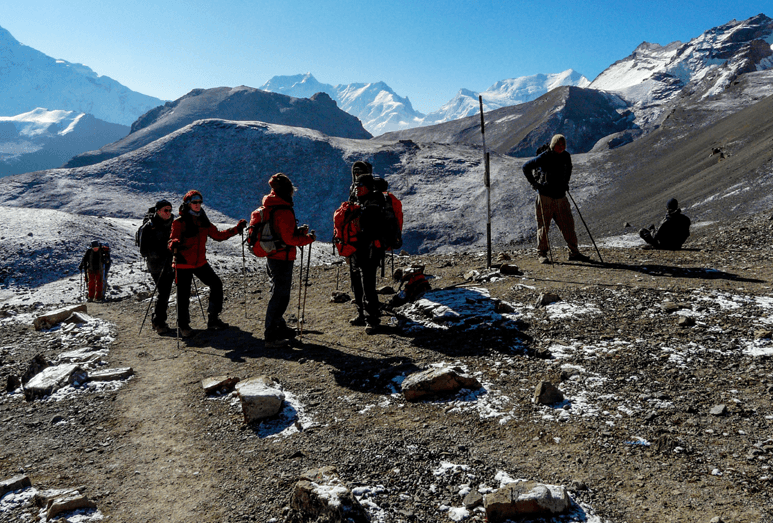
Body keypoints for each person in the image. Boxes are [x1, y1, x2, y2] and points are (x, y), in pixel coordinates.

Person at [168, 190, 247, 337]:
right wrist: (173, 243)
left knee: (216, 284)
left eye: (199, 202)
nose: (197, 205)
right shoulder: (179, 222)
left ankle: (213, 319)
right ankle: (184, 326)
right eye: (194, 202)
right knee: (183, 295)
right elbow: (172, 239)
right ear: (187, 204)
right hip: (183, 263)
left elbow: (218, 235)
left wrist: (236, 229)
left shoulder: (203, 220)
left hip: (199, 262)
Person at [253, 173, 316, 348]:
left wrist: (299, 233)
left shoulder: (272, 206)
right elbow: (289, 239)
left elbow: (283, 233)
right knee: (279, 296)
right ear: (287, 190)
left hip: (273, 255)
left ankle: (279, 327)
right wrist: (307, 239)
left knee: (280, 294)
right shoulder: (283, 209)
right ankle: (271, 336)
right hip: (282, 257)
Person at [522, 134, 590, 264]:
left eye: (563, 144)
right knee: (543, 227)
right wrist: (535, 184)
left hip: (561, 196)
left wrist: (565, 183)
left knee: (568, 225)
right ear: (553, 145)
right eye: (558, 144)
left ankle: (574, 252)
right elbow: (526, 167)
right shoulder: (545, 156)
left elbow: (569, 170)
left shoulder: (566, 156)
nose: (561, 147)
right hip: (545, 196)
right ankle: (542, 254)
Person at [348, 162, 389, 334]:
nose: (356, 187)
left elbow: (371, 228)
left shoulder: (375, 200)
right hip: (357, 247)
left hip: (370, 248)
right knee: (357, 282)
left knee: (367, 284)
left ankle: (372, 318)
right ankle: (362, 314)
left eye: (360, 185)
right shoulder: (359, 197)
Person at [139, 199, 175, 334]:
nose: (168, 213)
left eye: (170, 210)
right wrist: (160, 253)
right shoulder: (149, 226)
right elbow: (143, 251)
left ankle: (159, 321)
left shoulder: (173, 223)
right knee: (164, 292)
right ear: (158, 211)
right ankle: (158, 321)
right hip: (156, 265)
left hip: (170, 263)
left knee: (164, 292)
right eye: (166, 210)